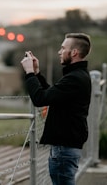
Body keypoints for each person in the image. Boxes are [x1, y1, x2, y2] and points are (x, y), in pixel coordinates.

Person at [20, 33, 92, 185]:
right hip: (66, 147)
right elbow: (52, 96)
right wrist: (37, 73)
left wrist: (29, 73)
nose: (59, 52)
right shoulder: (78, 75)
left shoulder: (74, 78)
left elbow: (40, 99)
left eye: (63, 48)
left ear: (74, 52)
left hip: (64, 149)